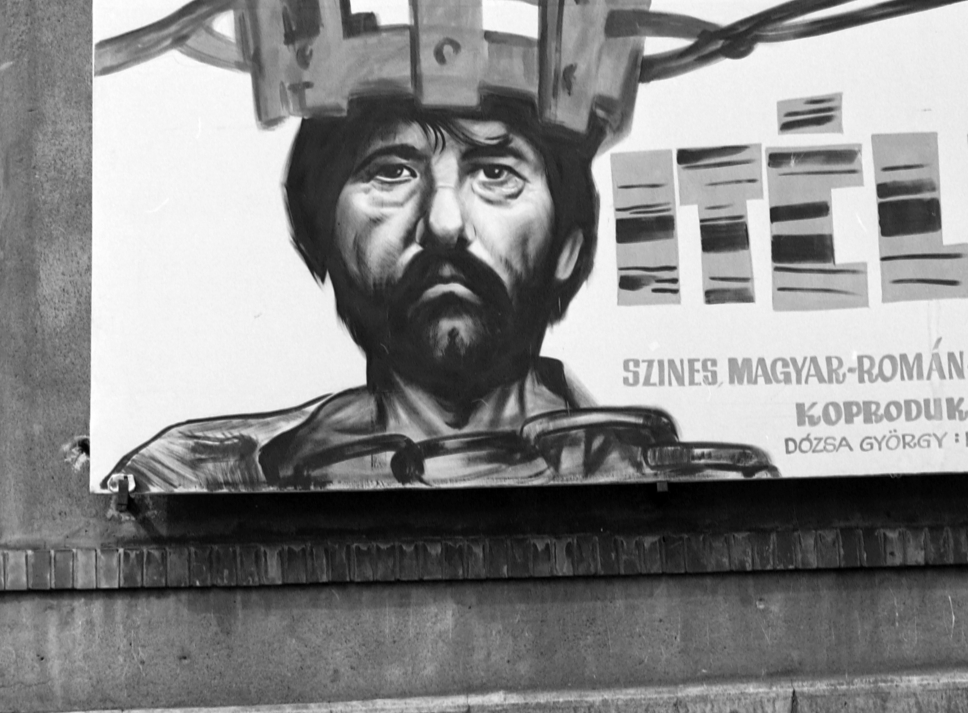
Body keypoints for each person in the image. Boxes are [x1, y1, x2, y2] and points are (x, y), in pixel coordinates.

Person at [109, 92, 774, 490]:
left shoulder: (687, 484)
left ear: (570, 247)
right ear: (320, 240)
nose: (447, 223)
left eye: (495, 172)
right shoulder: (198, 477)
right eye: (392, 171)